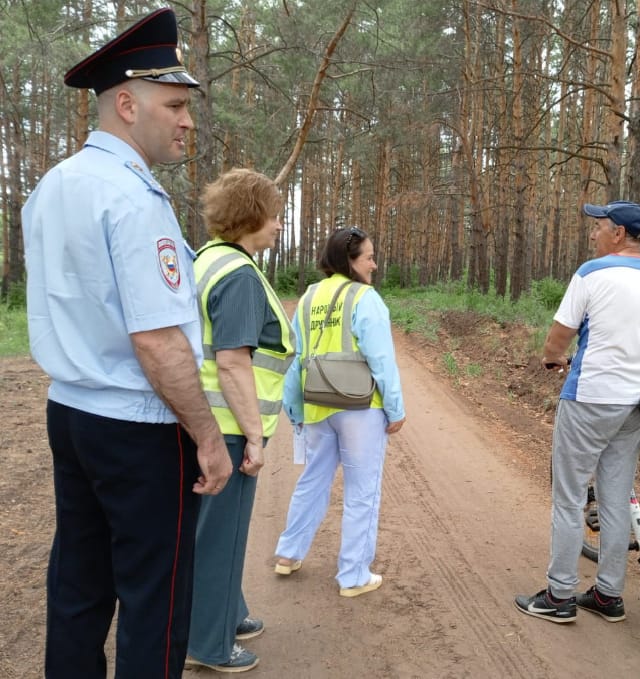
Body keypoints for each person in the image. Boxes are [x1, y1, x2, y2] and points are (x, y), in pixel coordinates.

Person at [21, 8, 233, 678]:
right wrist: (204, 434)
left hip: (71, 412)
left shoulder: (53, 186)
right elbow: (160, 342)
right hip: (137, 425)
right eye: (173, 104)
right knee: (155, 598)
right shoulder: (137, 199)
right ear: (124, 102)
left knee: (78, 583)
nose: (187, 120)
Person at [514, 200, 640, 623]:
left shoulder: (592, 273)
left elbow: (558, 337)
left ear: (619, 233)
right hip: (637, 401)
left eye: (599, 227)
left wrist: (553, 357)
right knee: (614, 497)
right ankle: (608, 595)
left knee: (569, 497)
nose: (593, 234)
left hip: (591, 396)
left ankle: (560, 596)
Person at [184, 169, 296, 672]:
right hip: (228, 427)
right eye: (274, 214)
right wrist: (254, 436)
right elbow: (232, 361)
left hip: (207, 418)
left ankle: (227, 610)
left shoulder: (208, 259)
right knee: (220, 537)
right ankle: (207, 642)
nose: (279, 224)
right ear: (252, 216)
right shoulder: (239, 275)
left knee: (212, 532)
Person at [274, 227, 406, 597]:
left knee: (313, 480)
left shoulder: (309, 297)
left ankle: (288, 553)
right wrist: (395, 408)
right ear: (349, 262)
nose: (374, 264)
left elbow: (296, 357)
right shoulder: (366, 299)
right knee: (362, 490)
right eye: (368, 257)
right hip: (360, 407)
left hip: (317, 402)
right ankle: (353, 575)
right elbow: (381, 360)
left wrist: (295, 407)